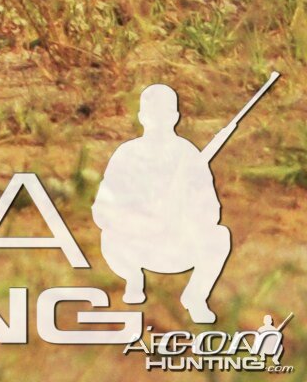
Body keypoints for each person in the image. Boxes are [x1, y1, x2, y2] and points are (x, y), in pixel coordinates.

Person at [93, 81, 237, 325]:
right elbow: (102, 209)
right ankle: (133, 279)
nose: (158, 119)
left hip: (178, 245)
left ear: (175, 116)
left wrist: (184, 212)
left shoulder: (189, 155)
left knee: (220, 236)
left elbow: (211, 209)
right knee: (108, 236)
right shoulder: (126, 154)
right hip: (134, 246)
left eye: (164, 112)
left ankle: (196, 297)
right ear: (141, 116)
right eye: (152, 113)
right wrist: (137, 218)